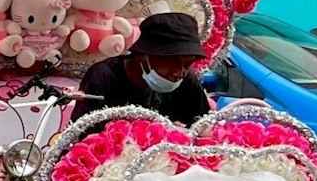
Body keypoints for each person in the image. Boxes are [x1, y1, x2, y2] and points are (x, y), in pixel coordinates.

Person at [70, 12, 213, 127]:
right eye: (171, 61)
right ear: (144, 56)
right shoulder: (104, 77)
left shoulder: (187, 81)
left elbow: (204, 126)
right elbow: (82, 134)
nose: (179, 72)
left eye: (188, 63)